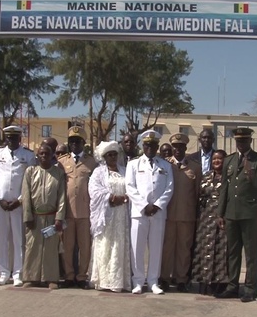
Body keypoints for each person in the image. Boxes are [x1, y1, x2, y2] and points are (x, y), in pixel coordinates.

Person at [215, 127, 257, 302]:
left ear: (250, 141)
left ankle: (251, 288)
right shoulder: (229, 160)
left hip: (250, 214)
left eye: (244, 141)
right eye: (238, 141)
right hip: (231, 213)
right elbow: (224, 188)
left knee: (251, 254)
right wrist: (220, 213)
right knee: (232, 252)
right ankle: (232, 286)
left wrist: (251, 173)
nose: (241, 144)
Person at [0, 126, 37, 287]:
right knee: (0, 239)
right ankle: (3, 272)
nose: (11, 140)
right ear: (5, 138)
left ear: (20, 138)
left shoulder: (28, 155)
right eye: (9, 138)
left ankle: (17, 273)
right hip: (0, 204)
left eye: (15, 137)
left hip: (18, 204)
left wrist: (20, 200)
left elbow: (30, 181)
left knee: (18, 239)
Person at [125, 130, 174, 295]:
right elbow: (130, 187)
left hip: (158, 213)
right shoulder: (133, 164)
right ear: (142, 146)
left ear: (157, 146)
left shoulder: (165, 165)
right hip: (140, 212)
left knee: (156, 248)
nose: (150, 148)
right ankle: (138, 281)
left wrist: (158, 205)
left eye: (153, 145)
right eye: (147, 145)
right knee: (137, 248)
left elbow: (169, 188)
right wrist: (144, 205)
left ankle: (153, 281)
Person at [57, 126, 98, 289]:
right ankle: (69, 276)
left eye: (77, 141)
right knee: (67, 246)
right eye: (71, 141)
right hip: (67, 212)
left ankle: (82, 276)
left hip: (85, 212)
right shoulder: (62, 162)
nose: (74, 144)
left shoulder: (91, 162)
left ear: (83, 143)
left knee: (84, 246)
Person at [160, 133, 202, 292]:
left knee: (184, 248)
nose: (178, 150)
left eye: (181, 147)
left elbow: (198, 192)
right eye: (175, 147)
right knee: (167, 248)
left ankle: (181, 279)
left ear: (186, 148)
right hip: (168, 215)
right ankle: (164, 277)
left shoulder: (195, 167)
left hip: (187, 215)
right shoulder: (165, 165)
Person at [21, 144, 66, 289]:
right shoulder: (30, 171)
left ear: (52, 155)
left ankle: (51, 278)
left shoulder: (58, 173)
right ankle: (30, 277)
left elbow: (62, 197)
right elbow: (26, 195)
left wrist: (59, 217)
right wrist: (27, 216)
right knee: (32, 246)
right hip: (35, 216)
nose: (44, 156)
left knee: (50, 249)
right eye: (41, 154)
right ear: (37, 155)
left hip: (52, 217)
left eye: (47, 154)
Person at [88, 141, 131, 292]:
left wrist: (125, 198)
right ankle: (105, 280)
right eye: (109, 155)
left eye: (115, 154)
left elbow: (132, 187)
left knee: (119, 245)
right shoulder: (98, 172)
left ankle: (118, 281)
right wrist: (111, 198)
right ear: (104, 157)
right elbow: (94, 191)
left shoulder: (125, 171)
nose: (113, 157)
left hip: (122, 214)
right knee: (105, 245)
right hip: (106, 215)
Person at [191, 149, 229, 296]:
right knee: (204, 250)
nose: (216, 162)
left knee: (220, 251)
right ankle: (203, 281)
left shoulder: (228, 178)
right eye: (214, 159)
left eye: (219, 159)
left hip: (221, 218)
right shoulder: (206, 176)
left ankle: (219, 283)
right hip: (205, 219)